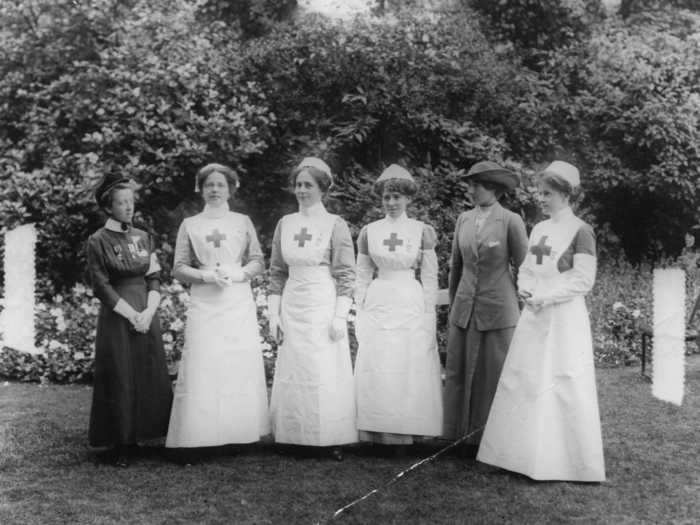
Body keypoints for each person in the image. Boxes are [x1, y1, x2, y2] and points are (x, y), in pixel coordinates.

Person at [477, 161, 606, 482]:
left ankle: (566, 462)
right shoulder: (540, 229)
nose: (542, 199)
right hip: (535, 314)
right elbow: (527, 268)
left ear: (564, 193)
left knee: (563, 380)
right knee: (526, 380)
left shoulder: (581, 230)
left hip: (563, 317)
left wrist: (547, 297)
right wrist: (525, 288)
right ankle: (519, 456)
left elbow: (583, 280)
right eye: (541, 193)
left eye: (547, 193)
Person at [166, 164, 270, 455]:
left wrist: (239, 275)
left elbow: (258, 260)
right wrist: (205, 276)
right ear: (200, 188)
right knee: (204, 360)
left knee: (236, 362)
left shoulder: (241, 221)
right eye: (209, 184)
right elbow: (179, 267)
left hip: (236, 298)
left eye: (220, 185)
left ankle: (239, 433)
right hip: (205, 298)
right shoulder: (191, 224)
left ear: (230, 189)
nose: (214, 190)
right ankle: (200, 435)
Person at [268, 157, 357, 461]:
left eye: (308, 185)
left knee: (323, 368)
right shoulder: (286, 224)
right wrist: (273, 313)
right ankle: (292, 436)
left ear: (322, 189)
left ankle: (331, 437)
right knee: (295, 367)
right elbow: (277, 272)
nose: (301, 190)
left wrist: (339, 315)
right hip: (293, 300)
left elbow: (346, 274)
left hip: (322, 300)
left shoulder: (335, 224)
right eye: (298, 184)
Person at [353, 164, 443, 455]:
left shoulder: (421, 231)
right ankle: (377, 431)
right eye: (387, 197)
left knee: (407, 363)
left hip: (409, 298)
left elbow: (429, 277)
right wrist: (360, 306)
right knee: (380, 363)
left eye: (397, 197)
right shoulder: (370, 231)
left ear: (408, 199)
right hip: (379, 298)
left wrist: (429, 312)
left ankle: (407, 433)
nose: (391, 203)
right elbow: (362, 274)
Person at [86, 173, 173, 467]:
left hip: (145, 312)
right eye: (121, 203)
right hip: (118, 315)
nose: (128, 207)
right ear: (109, 208)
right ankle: (121, 442)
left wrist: (148, 312)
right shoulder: (98, 240)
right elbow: (101, 285)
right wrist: (131, 314)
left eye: (130, 202)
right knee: (121, 374)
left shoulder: (143, 237)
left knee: (147, 371)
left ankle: (147, 434)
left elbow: (154, 277)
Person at [443, 161, 529, 456]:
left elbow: (525, 267)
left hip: (498, 310)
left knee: (492, 374)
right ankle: (459, 438)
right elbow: (456, 267)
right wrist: (455, 305)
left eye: (474, 184)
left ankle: (492, 441)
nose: (469, 189)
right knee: (458, 371)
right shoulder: (463, 220)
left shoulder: (510, 221)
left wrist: (521, 303)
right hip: (465, 310)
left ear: (492, 188)